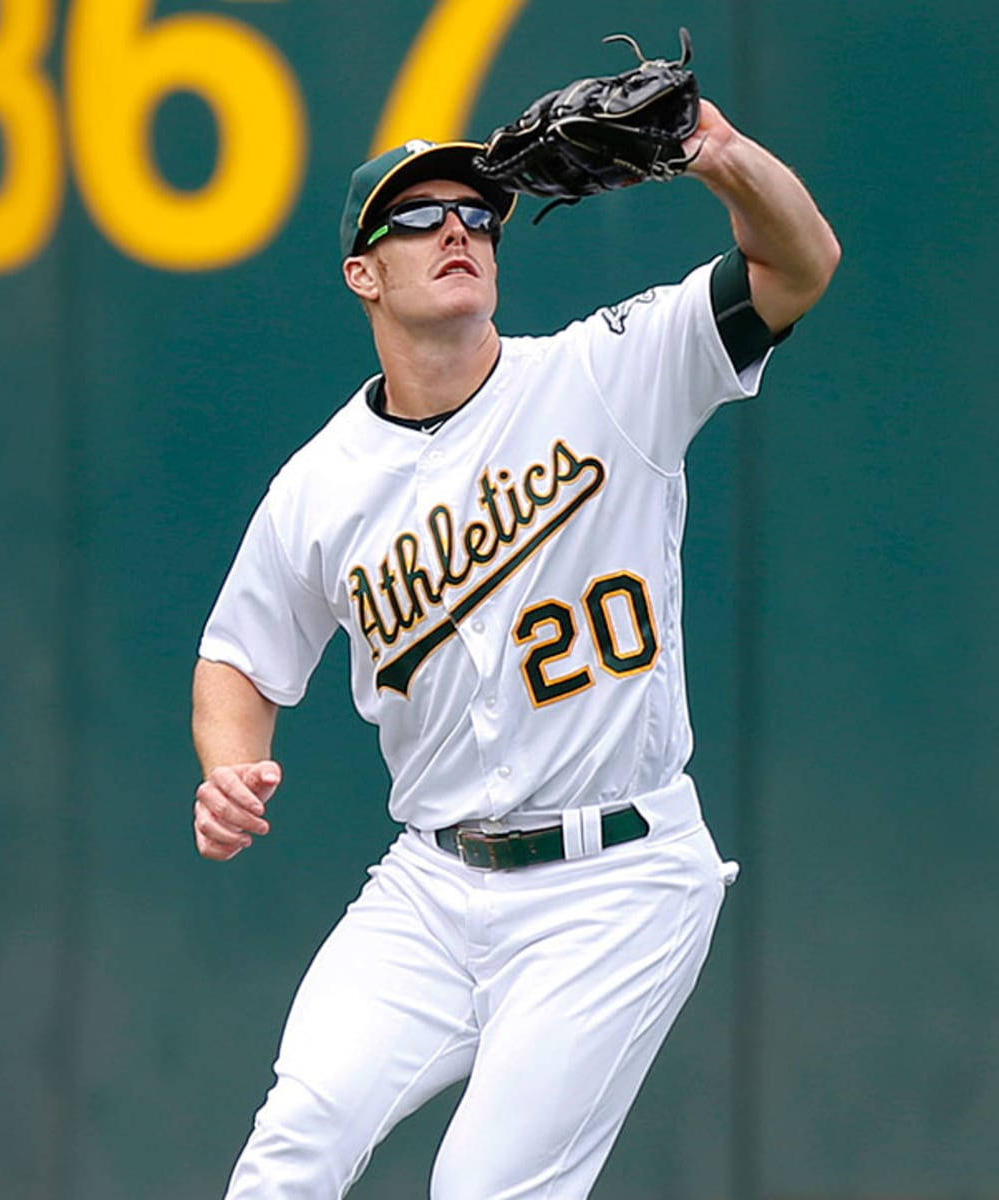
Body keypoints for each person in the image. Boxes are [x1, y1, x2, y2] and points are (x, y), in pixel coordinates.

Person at [192, 99, 840, 1198]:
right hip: (433, 885)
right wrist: (227, 767)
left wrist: (718, 157)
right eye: (420, 218)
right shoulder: (320, 485)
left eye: (477, 215)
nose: (459, 230)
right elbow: (242, 661)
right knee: (289, 1154)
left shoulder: (607, 373)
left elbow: (800, 263)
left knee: (486, 1191)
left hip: (617, 881)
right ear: (362, 274)